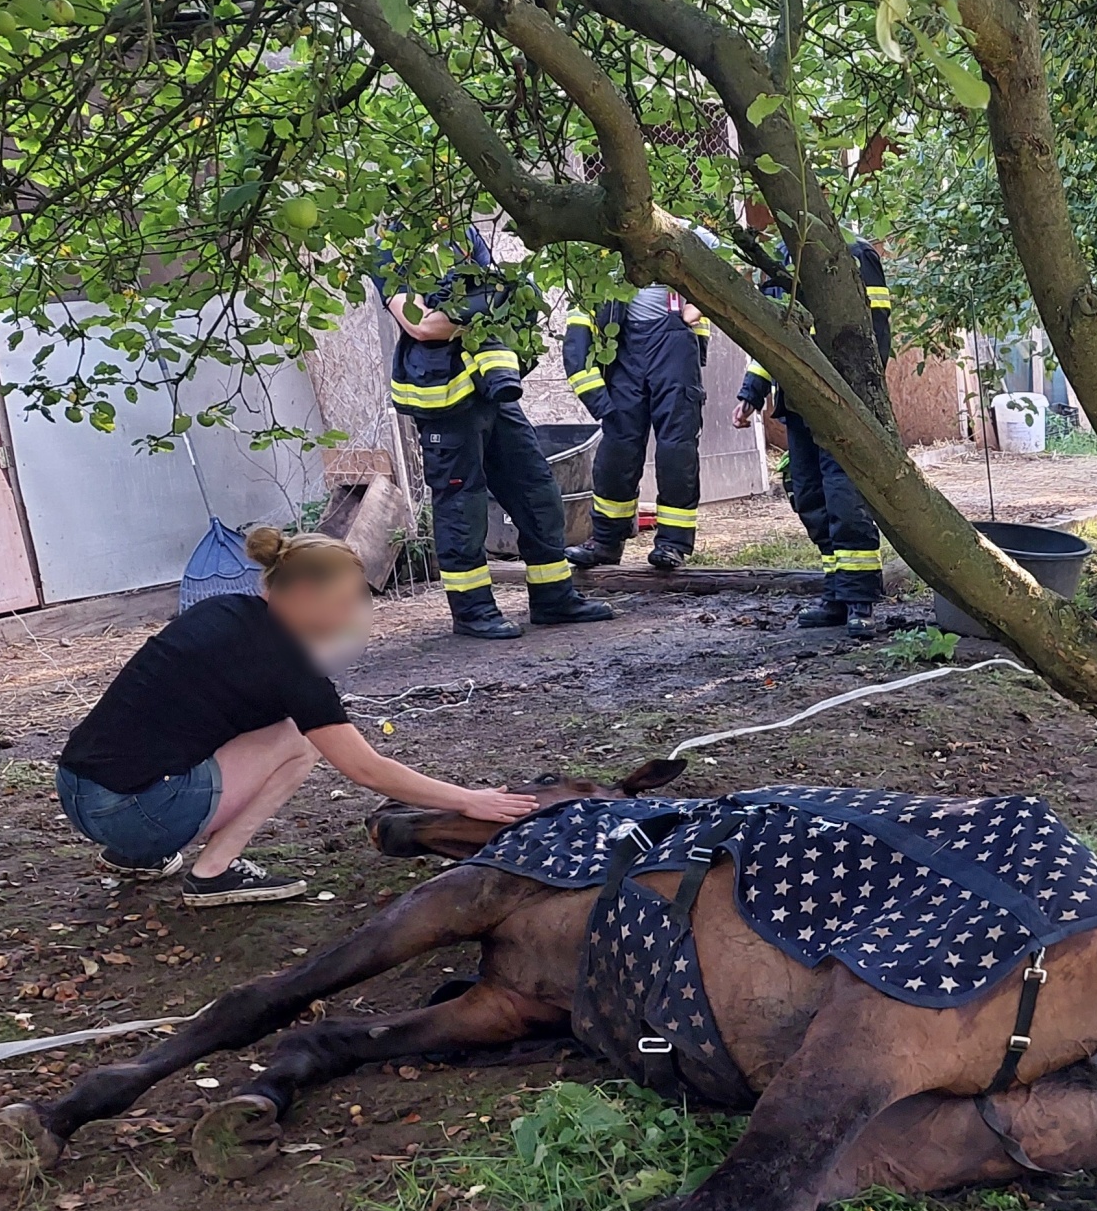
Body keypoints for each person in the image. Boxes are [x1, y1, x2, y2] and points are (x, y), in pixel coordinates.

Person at [54, 530, 539, 906]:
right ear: (303, 591)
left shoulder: (222, 610)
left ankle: (137, 855)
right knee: (300, 742)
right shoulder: (290, 666)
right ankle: (214, 873)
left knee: (215, 727)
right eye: (345, 602)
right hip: (132, 813)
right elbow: (366, 768)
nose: (350, 616)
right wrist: (468, 800)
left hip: (77, 788)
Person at [379, 224, 614, 639]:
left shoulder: (465, 234)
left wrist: (481, 311)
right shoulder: (392, 247)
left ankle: (554, 599)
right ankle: (473, 611)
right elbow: (422, 325)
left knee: (538, 492)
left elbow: (500, 299)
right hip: (443, 401)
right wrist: (482, 314)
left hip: (490, 390)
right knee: (462, 508)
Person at [737, 234, 896, 630]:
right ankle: (837, 593)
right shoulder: (777, 260)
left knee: (845, 497)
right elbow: (770, 336)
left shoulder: (854, 254)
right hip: (797, 402)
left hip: (843, 402)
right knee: (810, 496)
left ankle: (859, 600)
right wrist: (752, 391)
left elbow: (876, 331)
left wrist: (860, 392)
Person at [561, 266, 714, 572]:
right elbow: (578, 336)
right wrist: (597, 399)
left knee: (676, 451)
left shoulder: (688, 240)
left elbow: (727, 270)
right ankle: (606, 542)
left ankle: (672, 544)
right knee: (617, 452)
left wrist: (699, 306)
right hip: (623, 349)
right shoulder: (599, 255)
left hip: (674, 347)